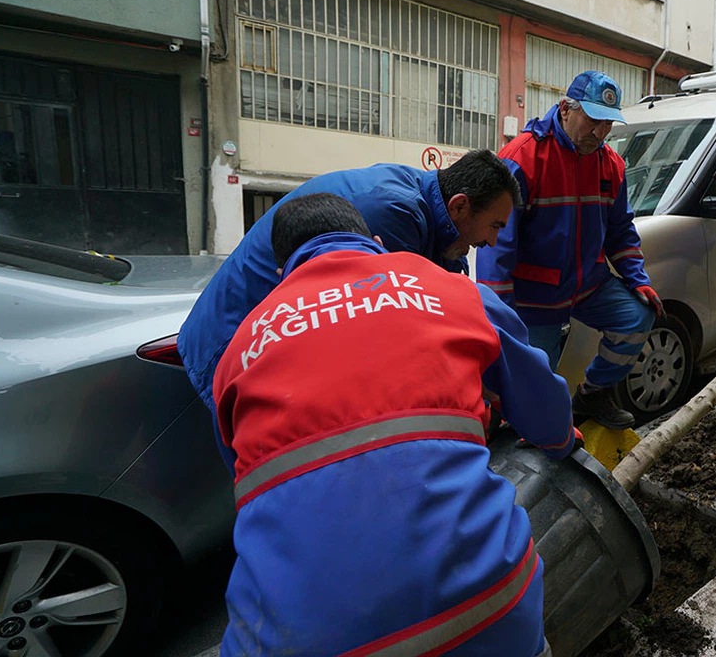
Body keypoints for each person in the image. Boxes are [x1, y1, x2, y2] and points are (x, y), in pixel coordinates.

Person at [213, 193, 578, 657]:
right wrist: (561, 441)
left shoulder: (241, 348)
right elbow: (544, 405)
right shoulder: (449, 289)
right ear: (376, 243)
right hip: (489, 610)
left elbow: (245, 478)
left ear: (282, 271)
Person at [178, 150, 520, 470]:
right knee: (275, 468)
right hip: (235, 339)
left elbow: (449, 296)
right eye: (495, 227)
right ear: (460, 206)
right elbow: (402, 338)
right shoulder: (392, 214)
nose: (492, 243)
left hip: (272, 335)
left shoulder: (433, 210)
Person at [477, 71, 662, 429]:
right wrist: (498, 314)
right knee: (529, 392)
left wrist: (637, 280)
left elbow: (621, 232)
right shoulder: (522, 158)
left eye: (607, 124)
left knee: (638, 317)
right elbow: (496, 244)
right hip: (535, 297)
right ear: (565, 109)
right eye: (593, 121)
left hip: (586, 283)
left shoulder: (611, 165)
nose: (600, 133)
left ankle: (592, 395)